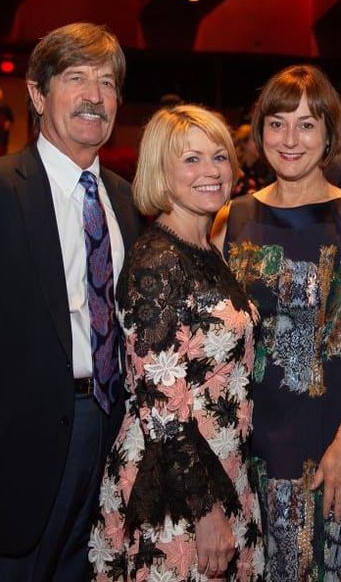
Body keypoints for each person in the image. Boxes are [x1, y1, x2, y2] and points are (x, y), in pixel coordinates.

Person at [0, 23, 143, 581]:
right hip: (14, 447)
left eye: (107, 83)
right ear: (37, 95)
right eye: (76, 79)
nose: (94, 96)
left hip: (109, 433)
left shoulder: (125, 198)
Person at [212, 64, 341, 580]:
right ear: (258, 130)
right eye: (277, 123)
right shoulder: (230, 217)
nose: (290, 139)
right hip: (248, 447)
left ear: (330, 134)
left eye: (307, 124)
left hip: (331, 443)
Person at [89, 105, 264, 581]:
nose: (211, 172)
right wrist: (206, 512)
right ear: (161, 172)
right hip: (176, 485)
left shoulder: (205, 247)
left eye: (219, 157)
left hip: (223, 464)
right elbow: (161, 406)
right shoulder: (156, 262)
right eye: (191, 160)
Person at [231, 123, 274, 197]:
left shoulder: (261, 171)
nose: (261, 144)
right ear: (244, 143)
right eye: (256, 140)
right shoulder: (234, 171)